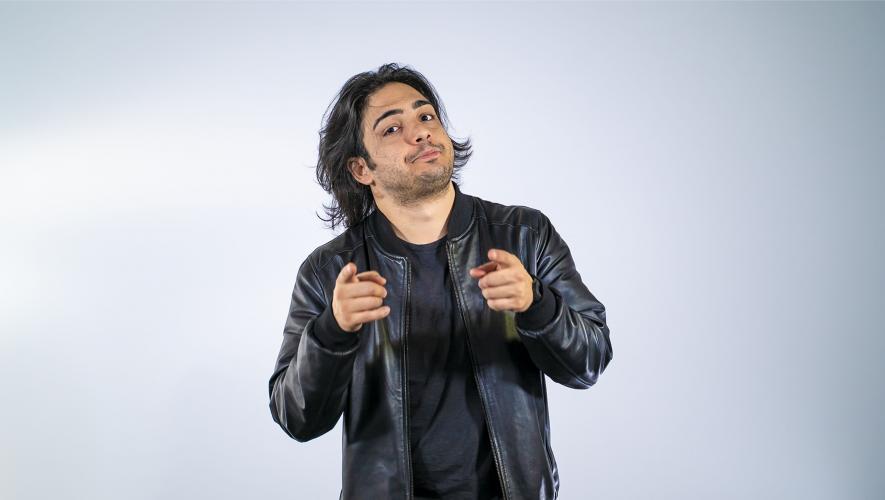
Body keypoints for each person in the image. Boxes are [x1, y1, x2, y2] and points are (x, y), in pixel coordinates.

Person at [268, 63, 613, 500]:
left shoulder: (524, 235)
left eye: (426, 116)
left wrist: (536, 304)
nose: (420, 133)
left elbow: (589, 363)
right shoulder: (330, 271)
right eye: (392, 128)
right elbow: (297, 418)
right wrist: (332, 331)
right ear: (361, 169)